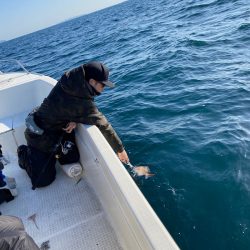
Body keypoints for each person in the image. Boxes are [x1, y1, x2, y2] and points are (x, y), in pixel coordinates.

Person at [17, 61, 129, 188]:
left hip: (59, 129)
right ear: (92, 82)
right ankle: (23, 153)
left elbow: (69, 105)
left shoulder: (72, 82)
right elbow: (103, 124)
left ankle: (56, 152)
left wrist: (76, 118)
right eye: (103, 85)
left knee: (72, 158)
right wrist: (120, 149)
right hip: (40, 138)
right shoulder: (81, 103)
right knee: (43, 181)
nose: (103, 89)